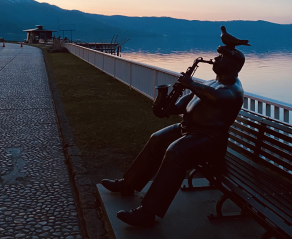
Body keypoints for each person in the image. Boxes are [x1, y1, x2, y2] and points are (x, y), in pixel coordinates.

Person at [101, 45, 246, 227]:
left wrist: (191, 84)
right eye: (218, 55)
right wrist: (170, 104)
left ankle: (148, 213)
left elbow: (217, 97)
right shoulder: (210, 82)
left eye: (222, 57)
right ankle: (128, 184)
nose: (216, 58)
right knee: (157, 138)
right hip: (190, 130)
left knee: (175, 152)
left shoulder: (234, 88)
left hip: (210, 141)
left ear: (234, 65)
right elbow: (189, 101)